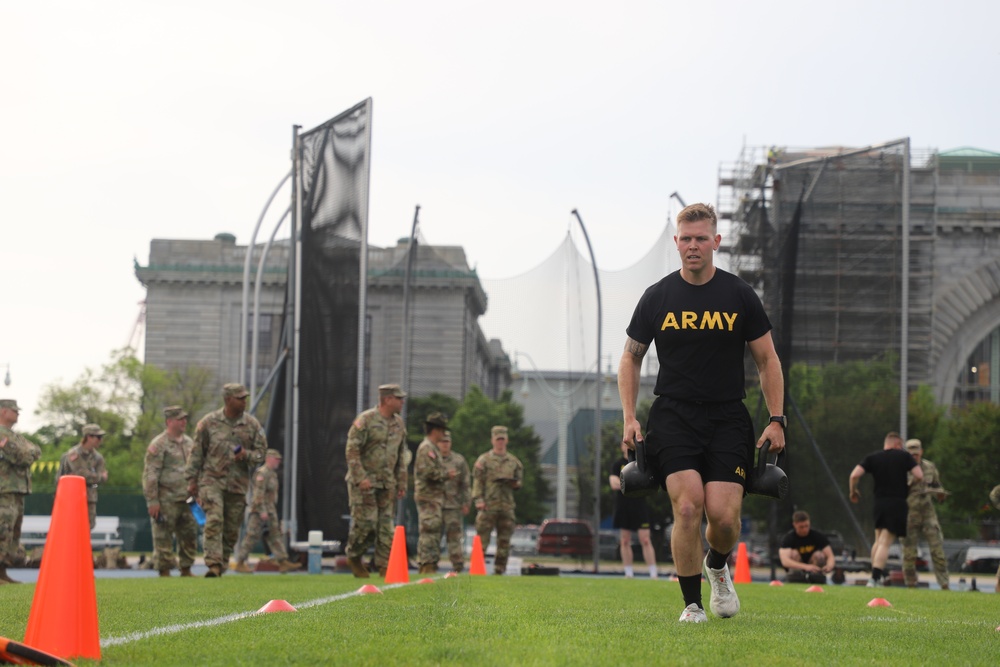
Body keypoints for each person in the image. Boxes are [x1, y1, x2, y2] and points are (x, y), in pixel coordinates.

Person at [618, 202, 786, 623]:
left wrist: (776, 418)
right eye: (686, 239)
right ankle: (692, 605)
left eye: (701, 238)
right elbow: (630, 358)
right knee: (688, 507)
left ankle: (716, 566)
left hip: (728, 416)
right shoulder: (657, 296)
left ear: (716, 241)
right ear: (676, 243)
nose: (693, 246)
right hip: (673, 416)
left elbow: (767, 360)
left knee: (725, 519)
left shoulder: (739, 295)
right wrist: (629, 417)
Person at [185, 383, 267, 578]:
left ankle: (221, 564)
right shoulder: (208, 423)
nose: (244, 401)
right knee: (214, 519)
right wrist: (192, 481)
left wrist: (247, 455)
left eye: (245, 398)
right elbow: (196, 454)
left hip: (238, 485)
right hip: (211, 481)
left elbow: (262, 455)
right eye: (240, 398)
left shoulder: (252, 425)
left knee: (231, 528)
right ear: (228, 400)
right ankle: (213, 564)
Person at [344, 383, 408, 578]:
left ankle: (384, 566)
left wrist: (401, 482)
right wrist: (360, 477)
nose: (402, 402)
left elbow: (401, 456)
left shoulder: (399, 424)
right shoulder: (365, 420)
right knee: (367, 524)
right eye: (398, 398)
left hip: (387, 484)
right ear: (387, 399)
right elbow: (352, 451)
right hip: (365, 483)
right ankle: (354, 556)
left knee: (386, 528)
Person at [848, 431, 923, 587]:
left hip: (879, 503)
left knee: (878, 540)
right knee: (885, 542)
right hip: (897, 503)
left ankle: (874, 575)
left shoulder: (873, 458)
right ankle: (874, 578)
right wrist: (908, 486)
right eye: (901, 445)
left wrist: (853, 491)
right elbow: (919, 475)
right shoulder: (904, 457)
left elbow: (854, 475)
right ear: (896, 444)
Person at [142, 405, 198, 577]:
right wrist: (152, 500)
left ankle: (186, 570)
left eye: (185, 418)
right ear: (169, 421)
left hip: (188, 500)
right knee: (163, 537)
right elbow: (150, 473)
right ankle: (164, 572)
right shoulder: (159, 444)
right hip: (166, 500)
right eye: (180, 419)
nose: (184, 422)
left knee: (189, 535)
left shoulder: (190, 442)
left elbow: (196, 469)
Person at [233, 449, 301, 574]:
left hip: (270, 510)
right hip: (260, 511)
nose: (278, 462)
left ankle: (283, 561)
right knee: (252, 536)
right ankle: (240, 562)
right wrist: (262, 511)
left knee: (275, 536)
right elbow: (258, 494)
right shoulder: (262, 473)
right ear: (269, 459)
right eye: (276, 459)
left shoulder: (272, 474)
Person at [472, 425, 523, 575]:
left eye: (502, 439)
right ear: (492, 440)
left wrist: (515, 483)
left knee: (504, 541)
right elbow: (477, 482)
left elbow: (519, 482)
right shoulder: (484, 460)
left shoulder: (513, 462)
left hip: (506, 506)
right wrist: (479, 500)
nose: (500, 442)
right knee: (481, 540)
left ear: (506, 440)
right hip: (488, 505)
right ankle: (477, 569)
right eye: (497, 439)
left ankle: (499, 570)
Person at [0, 399, 41, 584]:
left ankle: (3, 572)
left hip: (17, 490)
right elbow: (21, 456)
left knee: (13, 532)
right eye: (14, 410)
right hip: (4, 490)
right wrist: (26, 453)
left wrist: (26, 452)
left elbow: (36, 451)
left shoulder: (14, 436)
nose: (17, 413)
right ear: (3, 411)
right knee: (3, 529)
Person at [901, 438, 949, 589]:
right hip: (909, 514)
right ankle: (910, 584)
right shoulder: (900, 468)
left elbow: (937, 486)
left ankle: (944, 584)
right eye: (911, 454)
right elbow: (897, 492)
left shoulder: (929, 467)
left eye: (916, 453)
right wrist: (913, 481)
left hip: (928, 513)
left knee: (937, 550)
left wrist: (940, 495)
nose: (914, 456)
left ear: (921, 452)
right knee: (909, 553)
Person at [609, 440, 658, 579]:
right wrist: (633, 483)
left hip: (639, 506)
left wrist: (629, 483)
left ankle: (653, 574)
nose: (627, 447)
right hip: (623, 506)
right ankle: (628, 573)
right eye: (625, 444)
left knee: (645, 539)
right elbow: (613, 483)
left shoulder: (641, 464)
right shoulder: (617, 464)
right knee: (624, 540)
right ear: (621, 447)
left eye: (630, 445)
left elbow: (648, 481)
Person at [413, 412, 451, 574]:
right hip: (428, 496)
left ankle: (430, 564)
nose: (443, 434)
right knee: (429, 529)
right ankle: (426, 563)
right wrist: (445, 474)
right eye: (442, 430)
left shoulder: (433, 448)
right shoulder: (426, 448)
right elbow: (427, 472)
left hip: (434, 497)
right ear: (434, 430)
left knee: (434, 529)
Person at [56, 423, 108, 530]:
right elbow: (81, 474)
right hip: (72, 497)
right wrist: (98, 477)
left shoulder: (98, 457)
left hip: (90, 498)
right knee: (70, 527)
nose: (100, 440)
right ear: (89, 437)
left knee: (88, 526)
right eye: (98, 437)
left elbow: (97, 483)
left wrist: (94, 482)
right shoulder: (74, 454)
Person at [439, 430, 471, 573]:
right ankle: (428, 564)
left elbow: (465, 483)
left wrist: (466, 502)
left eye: (447, 442)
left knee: (454, 537)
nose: (445, 444)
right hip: (434, 504)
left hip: (453, 505)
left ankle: (457, 565)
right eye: (442, 441)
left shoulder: (459, 460)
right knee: (432, 535)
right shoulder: (432, 458)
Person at [778, 511, 835, 584]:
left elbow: (830, 556)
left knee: (819, 555)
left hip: (814, 568)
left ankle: (817, 578)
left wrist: (829, 566)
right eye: (801, 527)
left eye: (806, 526)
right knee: (794, 554)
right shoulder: (788, 538)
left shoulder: (817, 536)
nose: (805, 529)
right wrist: (806, 567)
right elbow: (785, 561)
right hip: (797, 570)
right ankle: (796, 578)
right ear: (794, 525)